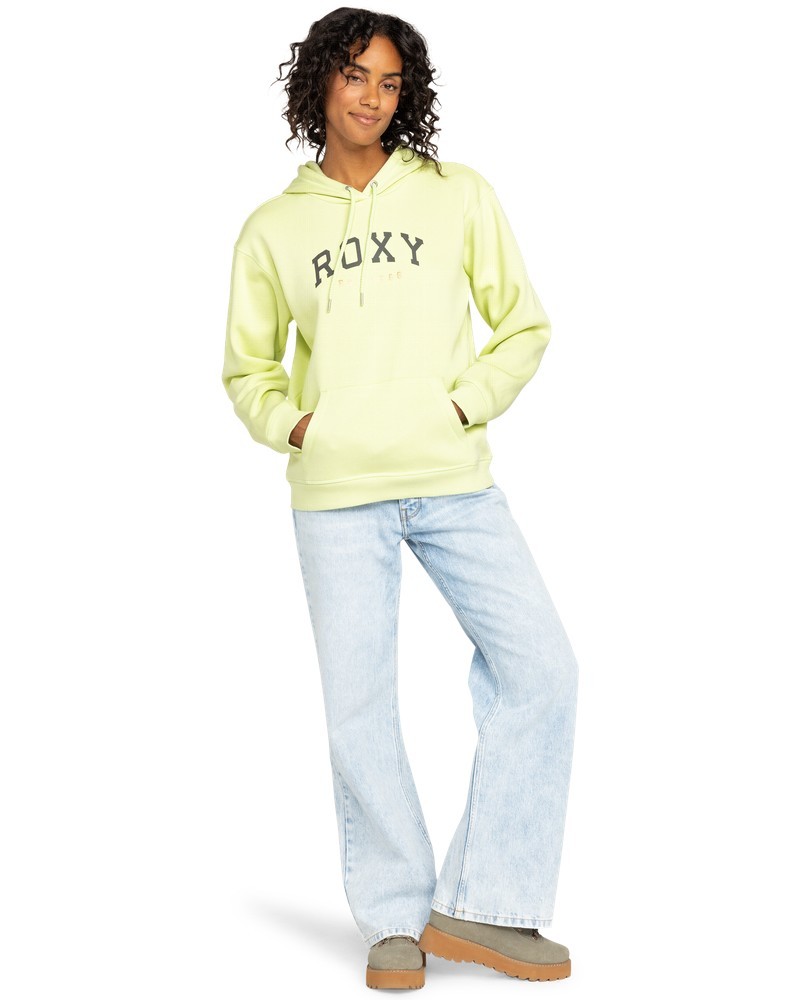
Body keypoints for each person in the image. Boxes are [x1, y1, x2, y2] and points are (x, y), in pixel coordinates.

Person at [221, 7, 579, 990]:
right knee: (360, 709)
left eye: (389, 82)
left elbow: (522, 325)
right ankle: (392, 919)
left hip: (452, 481)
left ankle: (481, 903)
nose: (372, 97)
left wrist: (462, 405)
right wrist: (301, 428)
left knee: (542, 668)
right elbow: (248, 369)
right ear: (318, 85)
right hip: (337, 495)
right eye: (354, 76)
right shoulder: (273, 228)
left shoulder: (457, 195)